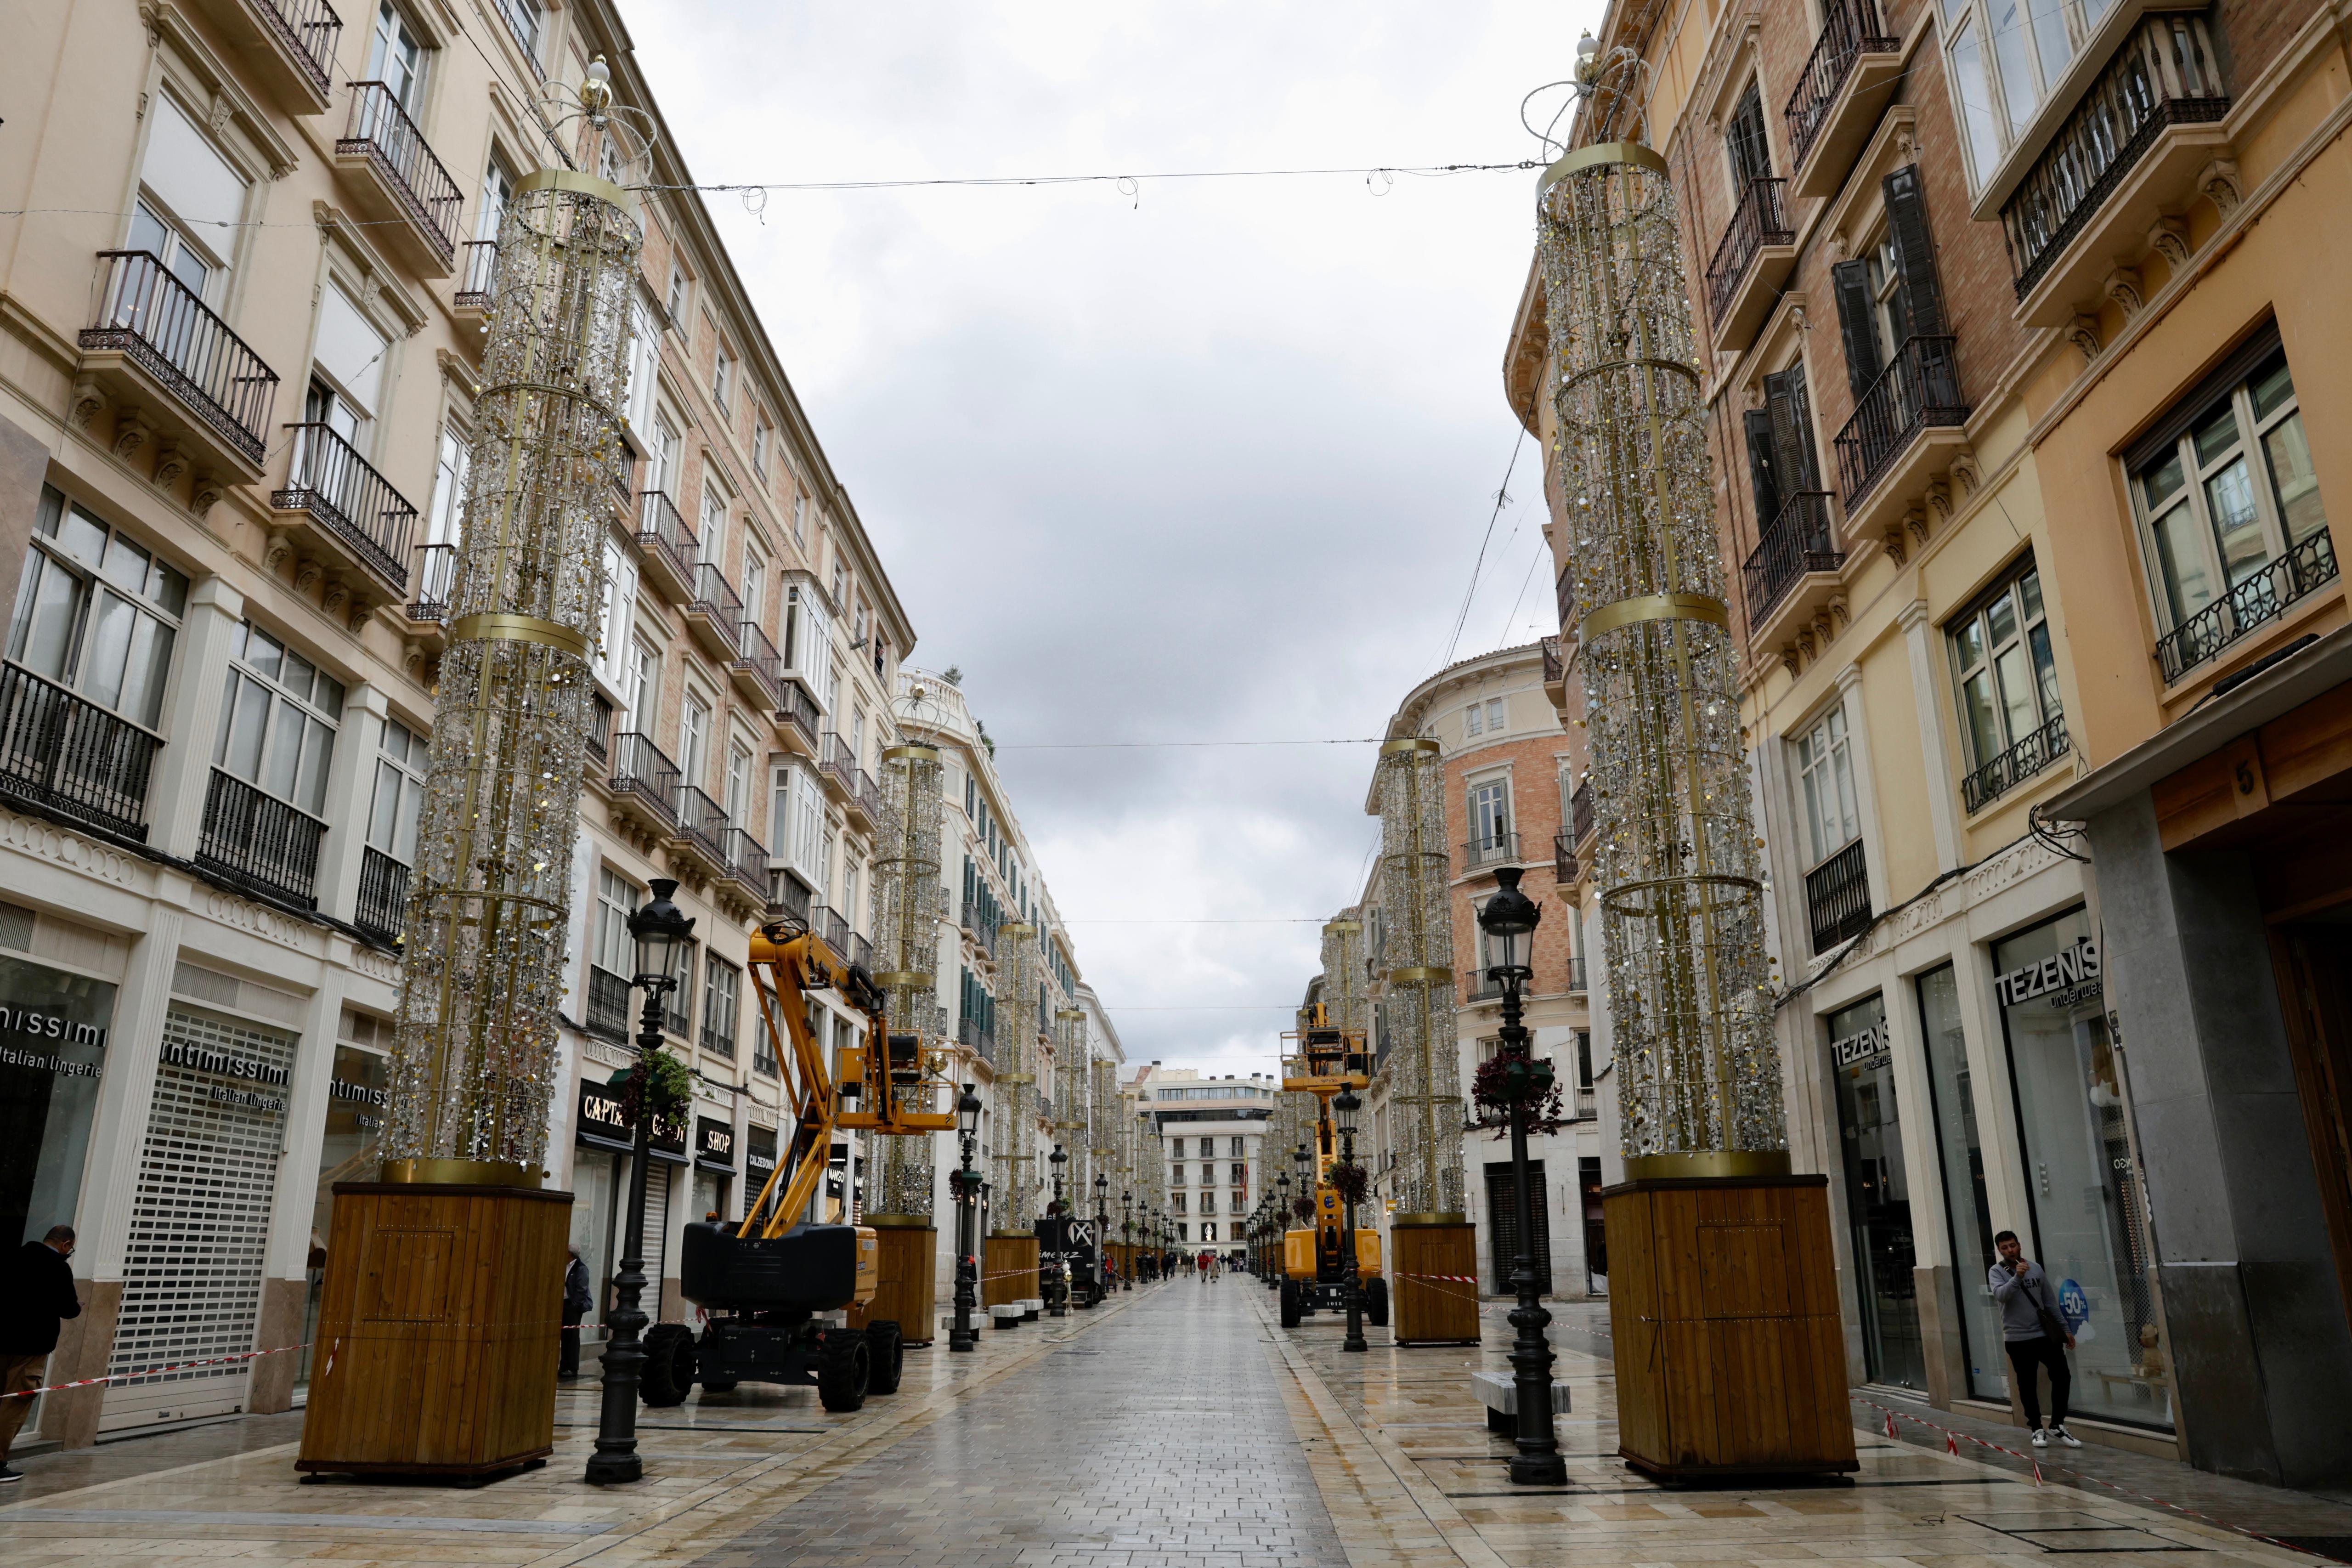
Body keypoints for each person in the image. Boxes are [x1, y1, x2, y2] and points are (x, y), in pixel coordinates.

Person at [0, 1225, 81, 1483]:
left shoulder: (12, 1257)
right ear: (65, 1244)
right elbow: (69, 1309)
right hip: (31, 1348)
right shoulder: (58, 1268)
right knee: (15, 1404)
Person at [1990, 1229, 2080, 1448]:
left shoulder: (2036, 1268)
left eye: (2013, 1245)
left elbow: (2049, 1302)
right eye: (2005, 1248)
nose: (2010, 1250)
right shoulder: (1997, 1271)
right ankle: (2037, 1428)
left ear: (2019, 1245)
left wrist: (2065, 1330)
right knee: (2027, 1384)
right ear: (2000, 1251)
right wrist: (2017, 1277)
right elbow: (2001, 1296)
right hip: (2017, 1339)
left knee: (2062, 1376)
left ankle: (2057, 1425)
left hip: (2044, 1334)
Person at [560, 1247, 592, 1380]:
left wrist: (575, 1305)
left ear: (570, 1254)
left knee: (572, 1337)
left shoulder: (580, 1268)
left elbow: (582, 1289)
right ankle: (564, 1366)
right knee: (565, 1336)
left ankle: (572, 1368)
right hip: (564, 1305)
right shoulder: (565, 1267)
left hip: (573, 1306)